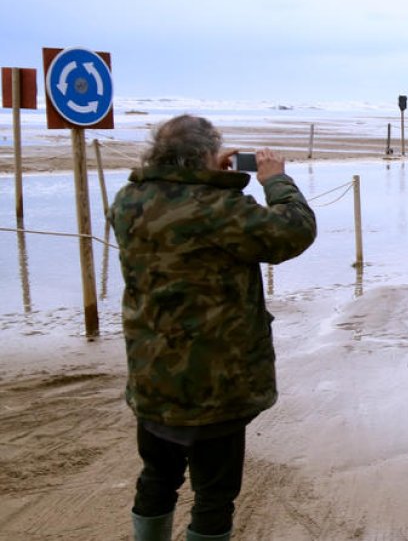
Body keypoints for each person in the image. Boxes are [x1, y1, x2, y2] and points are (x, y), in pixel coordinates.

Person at [108, 115, 318, 541]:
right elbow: (293, 231)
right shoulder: (219, 208)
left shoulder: (129, 200)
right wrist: (275, 180)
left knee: (157, 478)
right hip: (215, 383)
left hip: (154, 375)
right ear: (204, 154)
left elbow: (178, 211)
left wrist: (204, 174)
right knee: (214, 495)